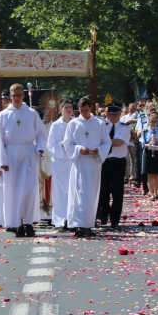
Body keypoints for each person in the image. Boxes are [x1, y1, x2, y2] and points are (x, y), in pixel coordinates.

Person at [0, 83, 47, 237]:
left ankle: (29, 222)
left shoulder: (32, 114)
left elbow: (41, 133)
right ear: (10, 96)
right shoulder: (3, 115)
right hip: (11, 154)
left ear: (23, 96)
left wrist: (40, 147)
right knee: (13, 190)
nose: (16, 98)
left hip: (28, 152)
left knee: (29, 189)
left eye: (19, 95)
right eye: (13, 95)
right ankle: (17, 224)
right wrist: (2, 161)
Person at [62, 97, 111, 237]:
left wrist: (99, 150)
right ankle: (78, 224)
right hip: (80, 163)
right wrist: (78, 149)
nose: (84, 113)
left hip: (93, 163)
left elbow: (106, 142)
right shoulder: (73, 124)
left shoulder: (100, 124)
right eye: (81, 111)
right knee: (79, 194)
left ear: (91, 109)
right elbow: (67, 143)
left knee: (91, 194)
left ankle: (88, 224)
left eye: (86, 110)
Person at [99, 104, 130, 228]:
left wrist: (105, 141)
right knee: (104, 190)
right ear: (107, 115)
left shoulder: (124, 127)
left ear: (120, 115)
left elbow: (119, 142)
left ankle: (115, 218)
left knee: (117, 192)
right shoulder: (103, 126)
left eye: (116, 114)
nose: (113, 117)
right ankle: (104, 214)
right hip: (105, 161)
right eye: (111, 114)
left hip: (118, 161)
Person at [45, 100, 74, 229]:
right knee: (60, 191)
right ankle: (61, 219)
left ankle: (72, 218)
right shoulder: (56, 125)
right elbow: (50, 145)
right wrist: (61, 144)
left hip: (73, 160)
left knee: (73, 190)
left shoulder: (76, 123)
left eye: (70, 107)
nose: (68, 109)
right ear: (61, 109)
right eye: (66, 107)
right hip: (60, 161)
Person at [140, 111, 158, 199]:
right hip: (148, 151)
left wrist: (157, 141)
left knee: (157, 173)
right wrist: (149, 144)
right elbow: (143, 144)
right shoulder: (145, 130)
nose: (153, 122)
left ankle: (157, 192)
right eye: (152, 120)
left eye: (156, 119)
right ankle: (151, 193)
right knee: (149, 174)